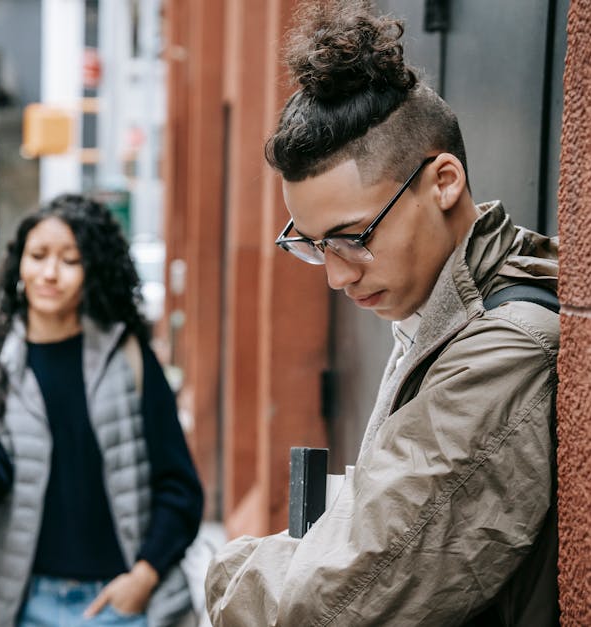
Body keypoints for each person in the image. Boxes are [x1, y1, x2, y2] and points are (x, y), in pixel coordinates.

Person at [205, 3, 559, 626]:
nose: (338, 275)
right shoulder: (436, 312)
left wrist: (225, 574)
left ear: (443, 181)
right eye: (313, 245)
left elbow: (329, 602)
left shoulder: (508, 345)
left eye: (353, 236)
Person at [0, 194, 204, 627]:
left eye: (70, 260)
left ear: (93, 271)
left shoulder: (126, 355)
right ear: (19, 266)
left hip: (122, 604)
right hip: (20, 607)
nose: (50, 273)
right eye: (38, 256)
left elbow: (179, 486)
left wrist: (143, 578)